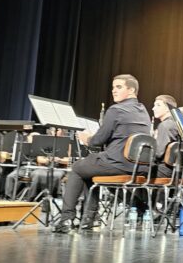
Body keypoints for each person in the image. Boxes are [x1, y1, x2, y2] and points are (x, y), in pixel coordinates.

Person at [52, 74, 151, 233]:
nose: (113, 91)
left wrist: (87, 139)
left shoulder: (116, 109)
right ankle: (89, 219)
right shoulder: (143, 110)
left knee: (78, 168)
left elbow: (98, 140)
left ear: (132, 89)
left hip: (117, 163)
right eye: (113, 87)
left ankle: (66, 219)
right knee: (88, 170)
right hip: (136, 165)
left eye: (119, 87)